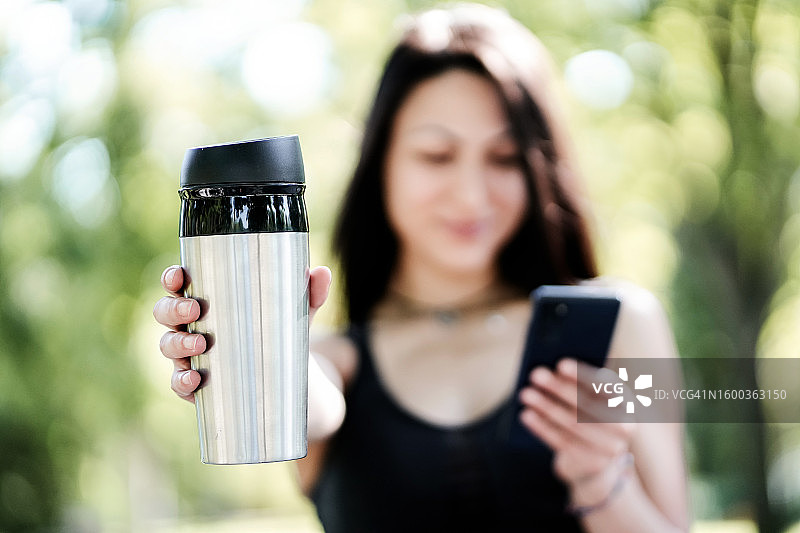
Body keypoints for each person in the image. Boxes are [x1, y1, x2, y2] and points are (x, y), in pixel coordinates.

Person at [153, 4, 689, 532]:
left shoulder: (623, 328)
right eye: (437, 155)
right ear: (381, 161)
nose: (472, 194)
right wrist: (245, 348)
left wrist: (600, 483)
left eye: (504, 159)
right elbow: (307, 402)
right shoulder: (334, 361)